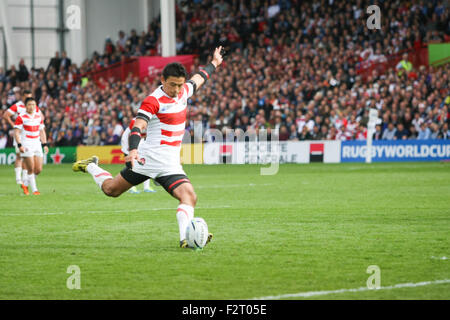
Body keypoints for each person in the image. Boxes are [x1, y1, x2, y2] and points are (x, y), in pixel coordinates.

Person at [73, 46, 224, 249]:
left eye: (180, 85)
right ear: (162, 80)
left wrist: (214, 62)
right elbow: (138, 126)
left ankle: (185, 239)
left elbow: (199, 78)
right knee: (111, 190)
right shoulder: (153, 101)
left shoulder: (183, 91)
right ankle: (91, 165)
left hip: (169, 163)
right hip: (148, 159)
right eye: (172, 85)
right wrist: (134, 149)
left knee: (189, 196)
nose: (177, 90)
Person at [13, 97, 48, 195]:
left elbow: (42, 131)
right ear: (25, 106)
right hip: (26, 144)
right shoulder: (21, 117)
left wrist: (44, 144)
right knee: (31, 168)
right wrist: (20, 145)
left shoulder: (38, 117)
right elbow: (16, 132)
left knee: (38, 169)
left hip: (37, 144)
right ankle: (34, 190)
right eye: (29, 104)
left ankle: (25, 184)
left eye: (33, 104)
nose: (32, 106)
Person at [2, 89, 34, 190]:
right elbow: (6, 115)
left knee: (27, 156)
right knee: (20, 155)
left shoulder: (32, 106)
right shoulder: (18, 105)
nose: (29, 99)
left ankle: (24, 179)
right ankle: (18, 179)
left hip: (29, 135)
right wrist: (14, 126)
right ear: (23, 97)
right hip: (19, 135)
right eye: (27, 97)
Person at [120, 118, 156, 194]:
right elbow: (131, 135)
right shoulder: (136, 120)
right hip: (128, 141)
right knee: (131, 164)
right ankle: (131, 187)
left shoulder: (154, 122)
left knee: (145, 162)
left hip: (140, 141)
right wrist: (131, 149)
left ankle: (146, 187)